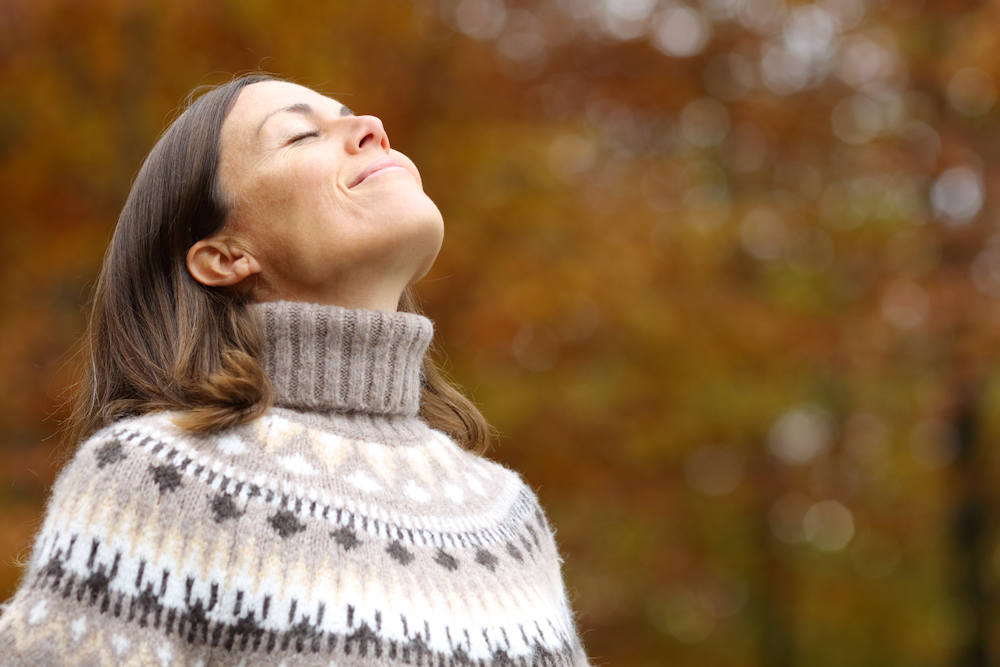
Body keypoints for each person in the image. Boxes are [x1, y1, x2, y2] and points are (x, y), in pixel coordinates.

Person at [0, 74, 590, 666]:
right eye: (302, 135)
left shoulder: (507, 516)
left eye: (354, 115)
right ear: (226, 257)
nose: (372, 127)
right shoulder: (159, 480)